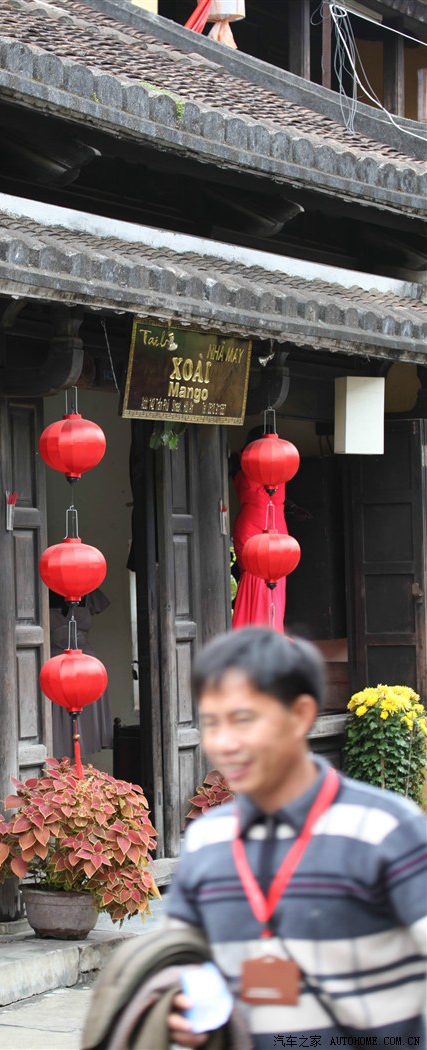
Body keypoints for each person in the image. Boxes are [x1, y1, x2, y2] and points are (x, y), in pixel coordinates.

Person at [166, 627, 427, 1048]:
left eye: (243, 719)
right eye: (212, 723)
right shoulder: (206, 842)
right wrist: (188, 1016)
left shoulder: (386, 830)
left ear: (301, 715)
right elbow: (183, 965)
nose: (224, 743)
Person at [230, 428, 289, 632]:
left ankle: (272, 630)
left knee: (276, 576)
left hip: (277, 525)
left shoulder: (282, 463)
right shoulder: (239, 461)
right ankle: (253, 630)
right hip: (252, 527)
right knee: (255, 575)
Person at [49, 588, 113, 759]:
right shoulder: (43, 590)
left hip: (86, 665)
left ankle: (80, 765)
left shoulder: (89, 590)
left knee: (83, 717)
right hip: (55, 665)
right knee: (55, 720)